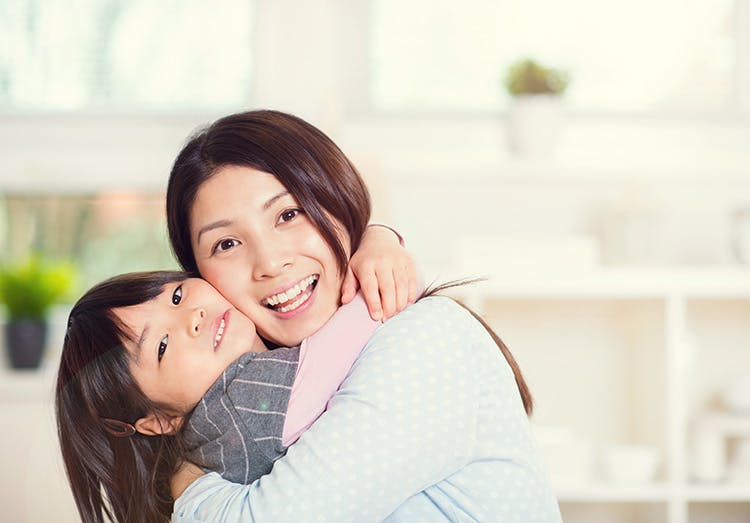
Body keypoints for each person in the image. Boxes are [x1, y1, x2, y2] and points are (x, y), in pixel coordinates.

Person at [166, 109, 562, 521]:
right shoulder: (265, 396)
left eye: (288, 215)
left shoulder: (424, 339)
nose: (269, 262)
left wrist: (185, 477)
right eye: (227, 244)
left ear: (338, 200)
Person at [56, 271, 383, 523]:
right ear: (158, 421)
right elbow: (372, 310)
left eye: (177, 295)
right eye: (161, 346)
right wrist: (378, 247)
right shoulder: (238, 403)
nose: (192, 317)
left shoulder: (206, 443)